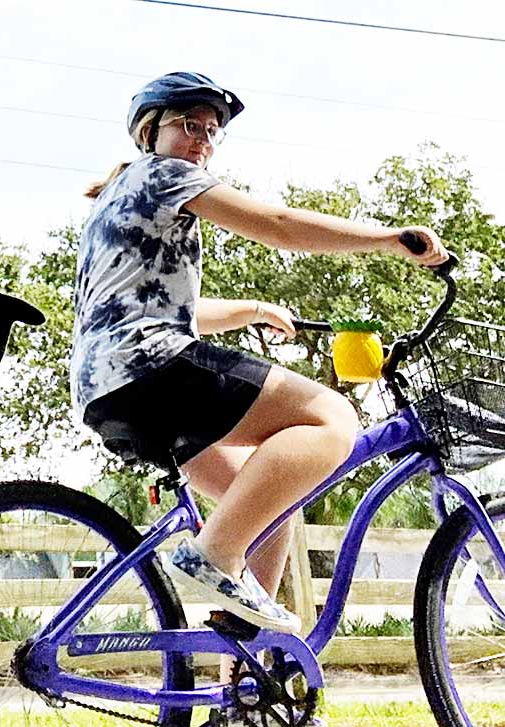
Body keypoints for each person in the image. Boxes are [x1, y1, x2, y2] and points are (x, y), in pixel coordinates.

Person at [71, 71, 449, 637]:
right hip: (153, 367)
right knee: (332, 416)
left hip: (107, 388)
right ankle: (215, 554)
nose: (201, 139)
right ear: (149, 133)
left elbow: (163, 306)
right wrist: (387, 238)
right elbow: (278, 228)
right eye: (188, 126)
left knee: (272, 509)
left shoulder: (118, 201)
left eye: (212, 131)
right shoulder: (165, 176)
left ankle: (241, 694)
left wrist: (251, 308)